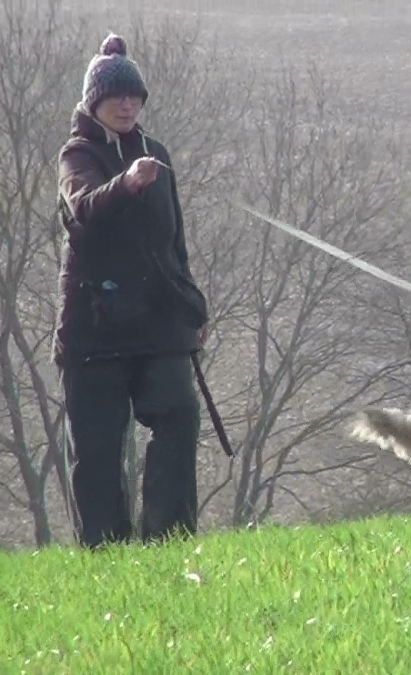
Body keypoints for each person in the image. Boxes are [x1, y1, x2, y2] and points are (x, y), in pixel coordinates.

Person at [54, 33, 210, 548]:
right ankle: (106, 553)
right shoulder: (76, 155)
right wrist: (126, 184)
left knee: (179, 417)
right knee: (98, 451)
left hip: (158, 323)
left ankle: (168, 538)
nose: (127, 104)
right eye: (116, 96)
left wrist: (194, 307)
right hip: (93, 332)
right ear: (93, 102)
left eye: (134, 96)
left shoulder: (157, 155)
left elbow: (174, 244)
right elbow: (83, 209)